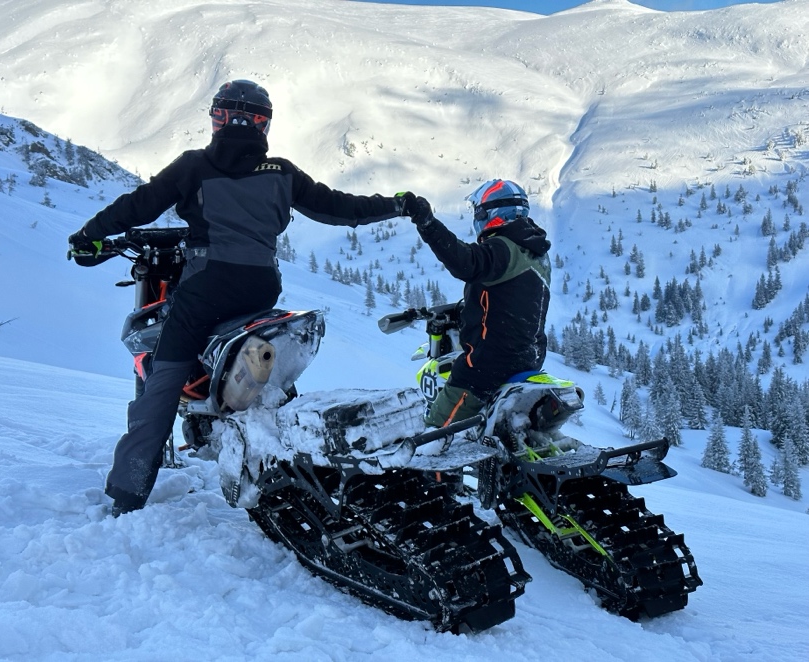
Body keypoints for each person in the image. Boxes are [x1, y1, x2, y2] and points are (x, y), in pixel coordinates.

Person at [68, 79, 408, 517]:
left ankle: (127, 494)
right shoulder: (281, 172)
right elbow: (340, 207)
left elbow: (137, 205)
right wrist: (395, 205)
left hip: (207, 286)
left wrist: (88, 235)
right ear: (264, 125)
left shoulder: (193, 167)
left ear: (217, 119)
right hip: (263, 284)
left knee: (163, 383)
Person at [398, 181, 551, 427]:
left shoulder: (502, 247)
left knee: (435, 435)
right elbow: (511, 300)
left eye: (478, 211)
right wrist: (464, 311)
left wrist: (426, 222)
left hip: (487, 368)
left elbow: (464, 262)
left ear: (490, 213)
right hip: (528, 358)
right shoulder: (534, 251)